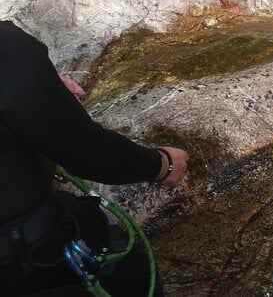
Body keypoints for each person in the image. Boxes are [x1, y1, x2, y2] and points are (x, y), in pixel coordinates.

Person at [0, 20, 189, 296]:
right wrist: (162, 164)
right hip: (23, 255)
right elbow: (88, 153)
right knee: (130, 264)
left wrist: (44, 87)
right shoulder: (7, 50)